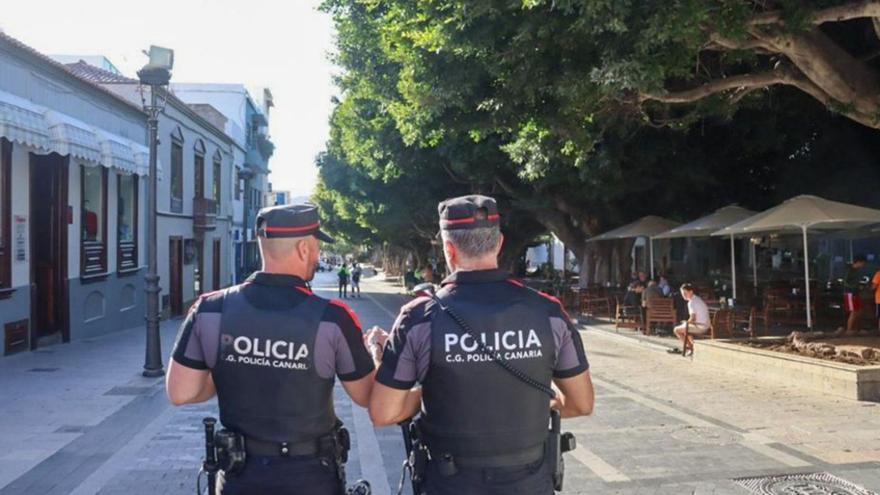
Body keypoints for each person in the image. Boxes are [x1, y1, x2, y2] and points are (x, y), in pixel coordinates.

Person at [366, 194, 594, 495]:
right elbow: (581, 403)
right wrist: (526, 405)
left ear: (448, 249)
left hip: (450, 482)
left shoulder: (418, 318)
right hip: (529, 483)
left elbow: (384, 412)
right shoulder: (549, 312)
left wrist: (380, 357)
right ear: (499, 243)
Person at [165, 203, 377, 495]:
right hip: (311, 478)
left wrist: (231, 365)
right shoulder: (333, 318)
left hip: (239, 478)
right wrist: (378, 355)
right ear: (304, 248)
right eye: (316, 247)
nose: (317, 256)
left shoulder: (210, 309)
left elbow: (181, 392)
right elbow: (368, 397)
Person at [671, 283, 711, 355]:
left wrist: (686, 323)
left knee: (676, 330)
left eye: (685, 293)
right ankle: (692, 346)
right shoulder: (697, 299)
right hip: (706, 325)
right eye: (683, 294)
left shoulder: (691, 302)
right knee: (685, 327)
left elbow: (693, 318)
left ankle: (690, 348)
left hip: (701, 327)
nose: (684, 295)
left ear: (691, 292)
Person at [843, 254, 867, 336]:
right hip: (850, 293)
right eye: (863, 263)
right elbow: (845, 282)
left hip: (856, 293)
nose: (863, 265)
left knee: (858, 311)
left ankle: (855, 329)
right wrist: (854, 286)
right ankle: (849, 330)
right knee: (853, 312)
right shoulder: (849, 270)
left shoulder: (857, 271)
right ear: (859, 262)